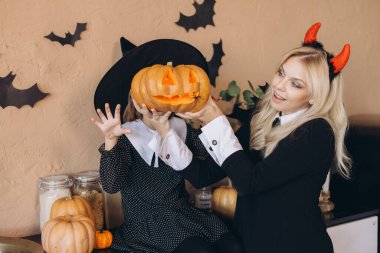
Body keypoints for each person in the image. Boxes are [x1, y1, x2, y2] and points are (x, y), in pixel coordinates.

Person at [167, 22, 352, 253]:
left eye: (295, 84)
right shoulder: (262, 117)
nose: (279, 86)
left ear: (315, 96)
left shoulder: (316, 132)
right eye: (281, 73)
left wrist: (216, 121)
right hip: (253, 242)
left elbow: (249, 182)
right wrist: (165, 129)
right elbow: (204, 175)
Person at [92, 38, 243, 253]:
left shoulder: (179, 128)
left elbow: (215, 155)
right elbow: (111, 185)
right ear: (135, 97)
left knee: (233, 245)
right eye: (155, 88)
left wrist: (207, 118)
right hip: (147, 223)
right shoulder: (126, 135)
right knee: (199, 250)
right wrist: (110, 141)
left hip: (183, 212)